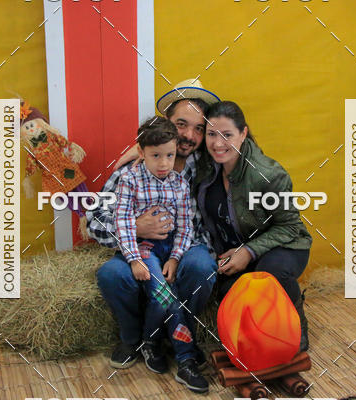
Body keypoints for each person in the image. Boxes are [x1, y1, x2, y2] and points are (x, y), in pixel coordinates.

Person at [87, 80, 219, 378]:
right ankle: (133, 339)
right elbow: (94, 220)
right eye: (181, 124)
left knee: (201, 266)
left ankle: (175, 338)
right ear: (167, 123)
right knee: (112, 274)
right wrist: (135, 228)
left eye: (199, 128)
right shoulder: (132, 170)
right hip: (140, 248)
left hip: (185, 245)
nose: (189, 135)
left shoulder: (208, 167)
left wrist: (178, 255)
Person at [193, 100, 313, 352]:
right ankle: (264, 330)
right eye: (211, 134)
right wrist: (140, 151)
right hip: (237, 249)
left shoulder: (268, 175)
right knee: (230, 292)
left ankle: (296, 324)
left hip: (284, 245)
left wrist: (248, 251)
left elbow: (289, 227)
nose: (217, 143)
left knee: (269, 274)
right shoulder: (206, 166)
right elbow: (167, 148)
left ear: (243, 133)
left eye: (227, 135)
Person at [111, 116, 208, 392]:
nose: (164, 163)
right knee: (166, 295)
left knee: (165, 297)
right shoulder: (129, 179)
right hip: (145, 249)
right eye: (156, 156)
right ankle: (186, 358)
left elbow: (186, 225)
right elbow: (123, 223)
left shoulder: (179, 183)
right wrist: (134, 259)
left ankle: (150, 341)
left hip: (171, 248)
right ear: (141, 152)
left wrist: (176, 257)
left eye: (170, 155)